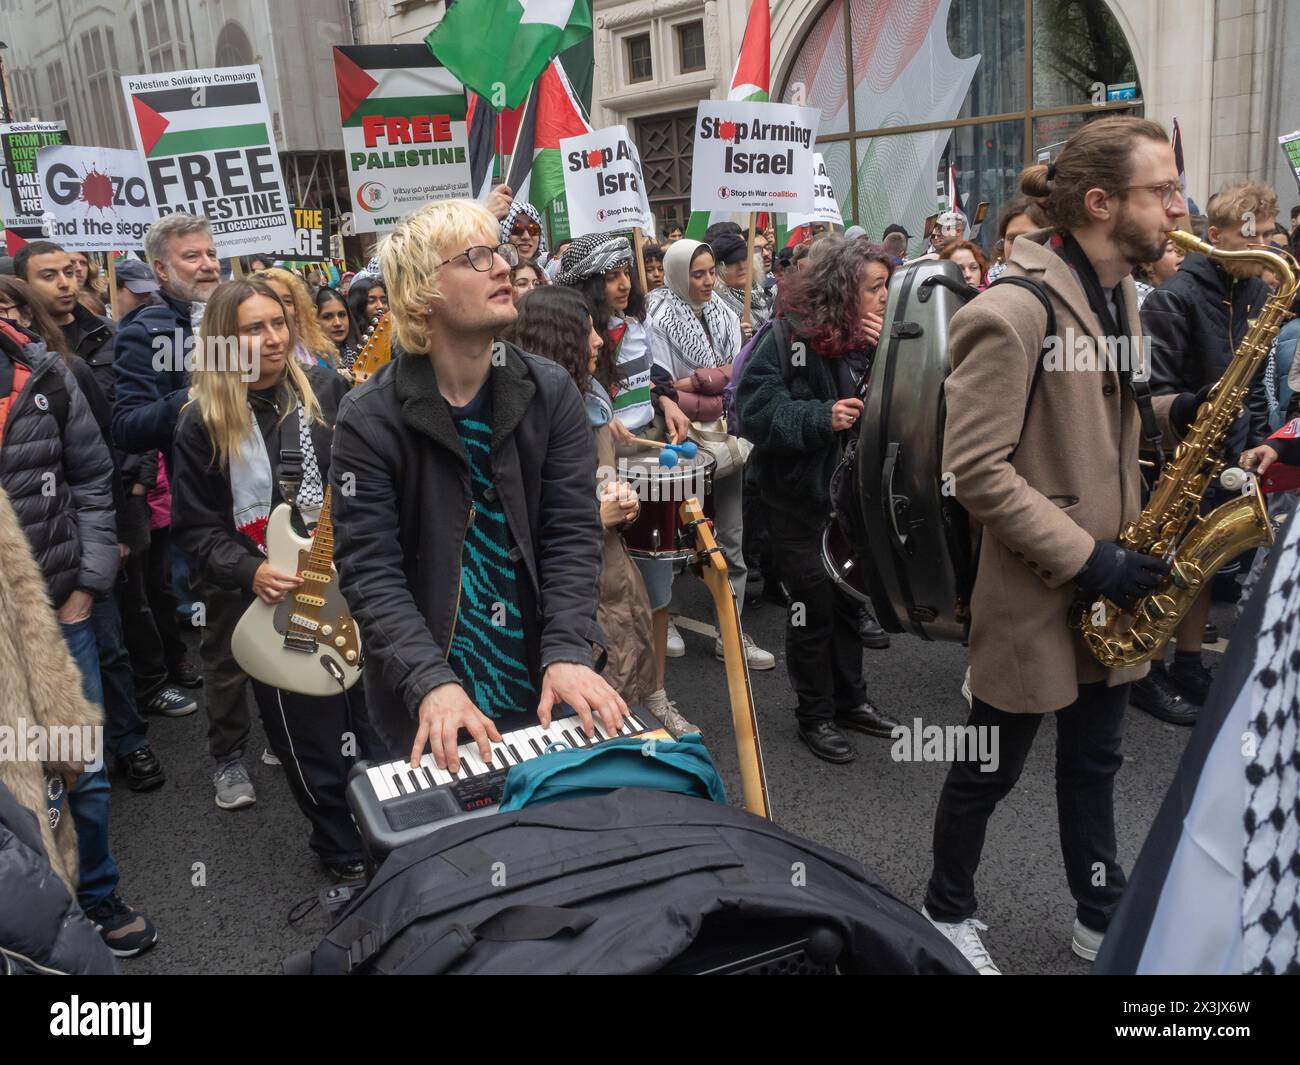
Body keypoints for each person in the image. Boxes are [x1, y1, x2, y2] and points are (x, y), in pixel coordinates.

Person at [921, 116, 1190, 973]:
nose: (1180, 208)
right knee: (987, 767)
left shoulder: (1119, 297)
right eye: (1166, 191)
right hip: (1044, 588)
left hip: (1108, 590)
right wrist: (1091, 557)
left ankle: (1097, 909)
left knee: (1096, 764)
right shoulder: (1010, 310)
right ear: (1104, 203)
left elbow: (1103, 412)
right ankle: (945, 908)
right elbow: (975, 472)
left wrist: (1187, 415)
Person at [330, 199, 629, 772]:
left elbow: (570, 533)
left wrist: (566, 650)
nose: (502, 266)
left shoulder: (551, 391)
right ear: (421, 297)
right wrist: (429, 682)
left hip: (545, 688)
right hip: (436, 707)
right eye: (475, 257)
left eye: (498, 251)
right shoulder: (369, 418)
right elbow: (370, 572)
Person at [169, 278, 380, 876]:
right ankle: (340, 852)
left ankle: (392, 835)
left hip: (348, 581)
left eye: (278, 323)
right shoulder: (200, 422)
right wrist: (250, 569)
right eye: (252, 329)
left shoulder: (328, 390)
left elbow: (370, 483)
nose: (272, 338)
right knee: (306, 736)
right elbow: (197, 528)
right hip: (265, 600)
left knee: (373, 721)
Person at [0, 309, 158, 956]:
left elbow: (94, 477)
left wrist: (86, 583)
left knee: (83, 768)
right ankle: (34, 922)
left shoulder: (46, 373)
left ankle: (96, 896)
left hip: (57, 611)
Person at [737, 240, 901, 763]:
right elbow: (754, 412)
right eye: (874, 287)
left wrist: (885, 352)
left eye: (886, 287)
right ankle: (815, 714)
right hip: (797, 502)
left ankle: (851, 700)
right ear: (843, 288)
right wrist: (818, 417)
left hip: (853, 501)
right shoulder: (788, 337)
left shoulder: (878, 341)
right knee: (814, 604)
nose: (883, 298)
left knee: (851, 600)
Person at [508, 286, 697, 735]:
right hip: (578, 591)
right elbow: (522, 527)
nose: (597, 341)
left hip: (613, 573)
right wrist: (597, 518)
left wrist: (623, 501)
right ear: (556, 339)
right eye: (585, 331)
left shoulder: (592, 400)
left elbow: (600, 481)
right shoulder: (529, 418)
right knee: (591, 717)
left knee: (626, 684)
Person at [1142, 181, 1277, 715]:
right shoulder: (1173, 298)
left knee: (1202, 564)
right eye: (1254, 237)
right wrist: (1197, 413)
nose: (1265, 247)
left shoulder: (1258, 292)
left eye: (1268, 235)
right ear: (1215, 237)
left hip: (1230, 455)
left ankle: (1188, 662)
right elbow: (1149, 395)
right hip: (1175, 459)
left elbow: (1257, 384)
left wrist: (1262, 442)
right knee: (1164, 569)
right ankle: (1145, 669)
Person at [555, 232, 696, 705]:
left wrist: (664, 399)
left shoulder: (636, 326)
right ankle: (613, 700)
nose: (622, 284)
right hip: (603, 467)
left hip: (642, 451)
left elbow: (648, 380)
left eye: (625, 274)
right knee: (608, 595)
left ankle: (656, 695)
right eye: (609, 276)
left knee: (652, 586)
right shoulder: (571, 337)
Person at [646, 238, 775, 670]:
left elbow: (738, 375)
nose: (706, 281)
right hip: (680, 443)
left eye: (709, 273)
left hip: (728, 439)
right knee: (676, 537)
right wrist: (713, 386)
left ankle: (731, 628)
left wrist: (698, 381)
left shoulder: (725, 312)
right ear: (679, 274)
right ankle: (667, 620)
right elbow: (662, 388)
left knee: (732, 537)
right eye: (696, 274)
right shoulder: (657, 318)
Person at [112, 213, 222, 468]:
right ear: (161, 269)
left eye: (212, 254)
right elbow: (128, 428)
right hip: (204, 486)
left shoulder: (241, 315)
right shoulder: (144, 333)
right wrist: (193, 396)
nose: (209, 265)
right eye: (192, 256)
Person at [254, 266, 338, 369]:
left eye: (287, 301)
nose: (281, 308)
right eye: (272, 300)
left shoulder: (320, 350)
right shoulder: (253, 356)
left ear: (297, 307)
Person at [707, 224, 773, 335]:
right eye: (732, 262)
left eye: (744, 258)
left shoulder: (766, 294)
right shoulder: (716, 309)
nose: (741, 266)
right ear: (718, 270)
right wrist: (737, 338)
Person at [986, 196, 1048, 282]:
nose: (1018, 246)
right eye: (1012, 239)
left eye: (1029, 239)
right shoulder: (988, 290)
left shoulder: (1063, 286)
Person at [1132, 233, 1186, 306]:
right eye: (1170, 249)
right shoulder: (1140, 299)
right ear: (1147, 264)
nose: (1181, 252)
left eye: (1181, 246)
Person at [315, 285, 362, 367]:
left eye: (342, 315)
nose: (337, 323)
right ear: (315, 321)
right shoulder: (310, 360)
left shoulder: (361, 353)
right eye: (327, 317)